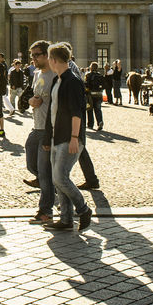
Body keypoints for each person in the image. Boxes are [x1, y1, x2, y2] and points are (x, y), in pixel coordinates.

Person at [41, 42, 93, 231]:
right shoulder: (58, 80)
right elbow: (51, 113)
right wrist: (48, 138)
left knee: (59, 178)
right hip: (57, 135)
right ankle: (66, 220)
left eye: (49, 58)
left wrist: (74, 137)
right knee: (60, 178)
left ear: (54, 60)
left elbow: (76, 112)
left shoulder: (73, 81)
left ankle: (84, 209)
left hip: (68, 137)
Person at [22, 40, 56, 225]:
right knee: (31, 162)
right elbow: (33, 96)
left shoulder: (55, 75)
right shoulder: (36, 74)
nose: (33, 59)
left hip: (48, 129)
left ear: (46, 55)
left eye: (36, 55)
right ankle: (52, 186)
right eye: (31, 55)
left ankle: (45, 210)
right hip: (37, 127)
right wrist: (30, 102)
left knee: (44, 171)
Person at [84, 61, 105, 131]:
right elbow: (104, 85)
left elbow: (86, 85)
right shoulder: (100, 75)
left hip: (91, 94)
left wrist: (86, 92)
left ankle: (90, 124)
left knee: (90, 109)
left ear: (91, 67)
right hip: (99, 94)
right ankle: (100, 122)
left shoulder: (88, 75)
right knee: (98, 109)